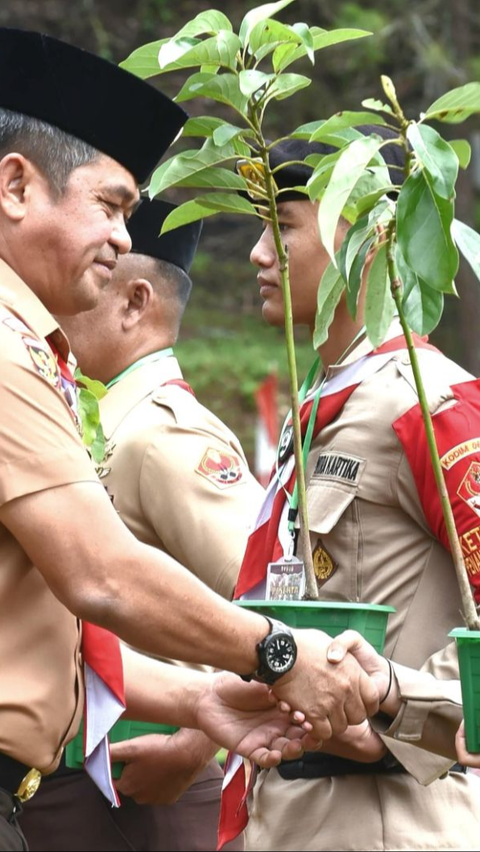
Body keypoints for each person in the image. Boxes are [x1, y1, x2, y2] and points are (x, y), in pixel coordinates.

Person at [0, 28, 380, 851]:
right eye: (109, 205)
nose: (123, 239)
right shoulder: (7, 349)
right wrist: (276, 657)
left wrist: (199, 706)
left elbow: (254, 576)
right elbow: (103, 576)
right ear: (16, 186)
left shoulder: (155, 429)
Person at [222, 128, 480, 851]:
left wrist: (397, 710)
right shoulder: (317, 404)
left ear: (370, 238)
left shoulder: (426, 406)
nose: (258, 254)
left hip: (393, 823)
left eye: (282, 226)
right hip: (293, 819)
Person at [20, 197, 264, 852]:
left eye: (96, 282)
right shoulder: (112, 428)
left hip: (145, 801)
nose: (61, 305)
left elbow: (272, 588)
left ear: (134, 303)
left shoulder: (158, 437)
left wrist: (199, 733)